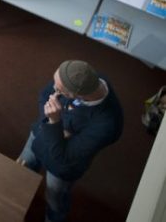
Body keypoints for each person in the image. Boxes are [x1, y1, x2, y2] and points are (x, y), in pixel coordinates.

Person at [17, 60, 123, 222]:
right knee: (21, 171)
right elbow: (44, 95)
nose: (54, 90)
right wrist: (56, 127)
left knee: (55, 199)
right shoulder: (77, 76)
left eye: (58, 90)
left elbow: (63, 157)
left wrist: (54, 122)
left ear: (76, 95)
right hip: (39, 136)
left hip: (60, 168)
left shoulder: (108, 125)